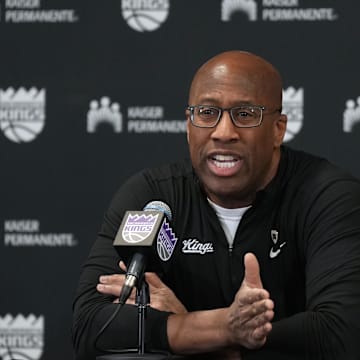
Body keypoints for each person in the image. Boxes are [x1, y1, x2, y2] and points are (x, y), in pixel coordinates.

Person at [72, 50, 360, 359]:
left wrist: (195, 334)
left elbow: (341, 334)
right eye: (207, 113)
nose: (224, 133)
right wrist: (224, 327)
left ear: (278, 129)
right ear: (188, 124)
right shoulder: (153, 197)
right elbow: (92, 327)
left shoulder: (327, 196)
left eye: (245, 115)